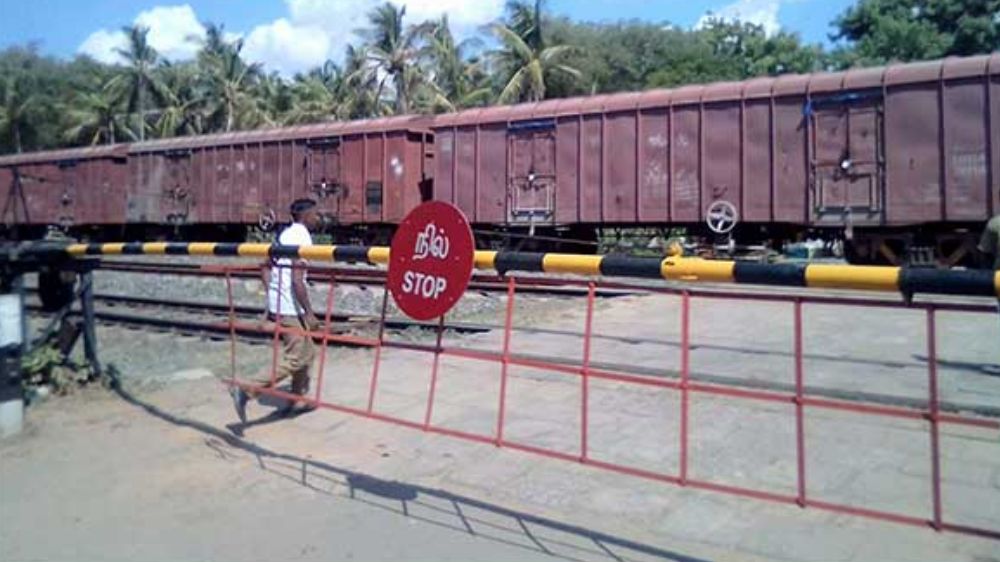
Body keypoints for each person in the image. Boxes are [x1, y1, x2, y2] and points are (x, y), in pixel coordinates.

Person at [230, 198, 322, 422]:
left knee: (307, 351)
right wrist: (309, 313)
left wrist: (272, 292)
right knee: (297, 357)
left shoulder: (285, 234)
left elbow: (265, 265)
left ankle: (296, 398)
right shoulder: (302, 238)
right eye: (315, 214)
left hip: (282, 302)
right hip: (290, 306)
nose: (318, 218)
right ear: (306, 216)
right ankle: (247, 390)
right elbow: (297, 281)